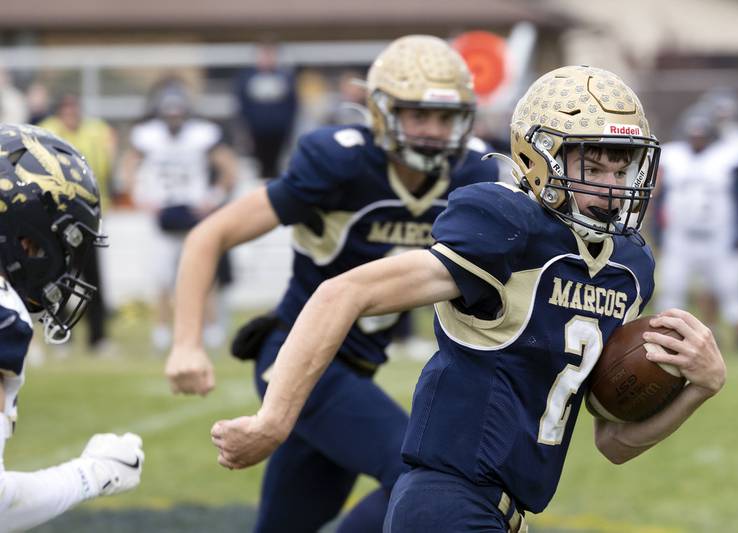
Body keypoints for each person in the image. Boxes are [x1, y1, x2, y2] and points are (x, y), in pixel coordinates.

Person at [208, 66, 727, 533]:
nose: (611, 189)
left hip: (501, 514)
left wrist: (700, 388)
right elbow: (343, 291)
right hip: (446, 502)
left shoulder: (629, 267)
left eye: (621, 171)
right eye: (593, 169)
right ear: (540, 157)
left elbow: (613, 443)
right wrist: (272, 421)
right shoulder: (509, 225)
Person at [166, 35, 498, 533]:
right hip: (295, 359)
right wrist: (187, 344)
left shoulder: (472, 172)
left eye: (445, 117)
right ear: (382, 112)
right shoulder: (340, 162)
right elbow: (208, 235)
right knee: (420, 476)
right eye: (418, 115)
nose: (433, 131)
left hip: (357, 370)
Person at [0, 124, 144, 530]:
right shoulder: (4, 317)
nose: (62, 264)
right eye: (60, 243)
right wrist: (93, 474)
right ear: (23, 238)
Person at [120, 80, 238, 351]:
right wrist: (139, 196)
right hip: (163, 214)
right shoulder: (148, 135)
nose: (174, 120)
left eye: (178, 114)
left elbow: (229, 167)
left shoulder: (201, 134)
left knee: (204, 274)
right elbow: (128, 165)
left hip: (194, 212)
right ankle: (162, 330)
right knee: (162, 279)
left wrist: (213, 197)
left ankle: (210, 329)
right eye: (169, 114)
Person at [657, 101, 738, 349]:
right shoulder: (673, 156)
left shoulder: (727, 155)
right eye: (694, 136)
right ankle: (666, 337)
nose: (697, 140)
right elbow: (658, 191)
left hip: (718, 236)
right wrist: (658, 229)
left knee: (730, 288)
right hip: (680, 237)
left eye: (701, 136)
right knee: (672, 287)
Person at [40, 92, 117, 354]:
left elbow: (106, 165)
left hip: (88, 216)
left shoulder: (97, 131)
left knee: (92, 278)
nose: (71, 114)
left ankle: (98, 337)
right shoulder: (48, 131)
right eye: (66, 109)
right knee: (58, 277)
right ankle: (60, 334)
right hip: (57, 217)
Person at [234, 40, 298, 180]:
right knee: (258, 167)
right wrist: (245, 129)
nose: (267, 59)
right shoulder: (247, 77)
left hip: (278, 131)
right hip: (256, 131)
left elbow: (292, 105)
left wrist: (288, 128)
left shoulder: (285, 76)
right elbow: (242, 104)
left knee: (277, 166)